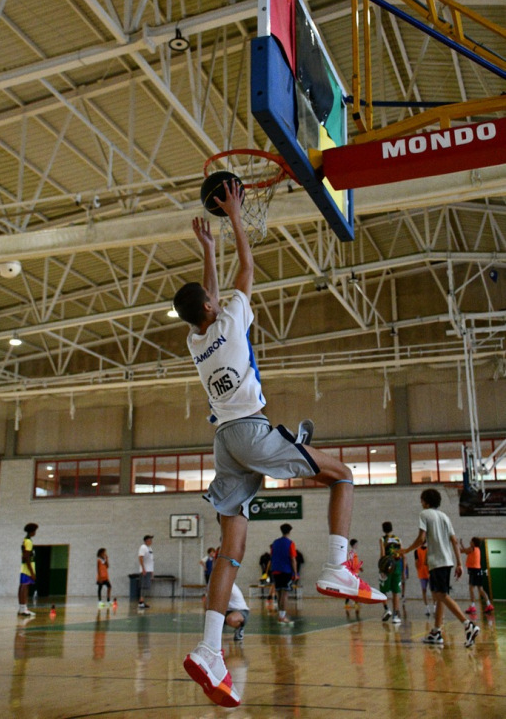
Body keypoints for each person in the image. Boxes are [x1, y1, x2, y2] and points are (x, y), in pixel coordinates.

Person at [174, 181, 385, 708]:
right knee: (343, 475)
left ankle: (209, 650)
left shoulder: (196, 340)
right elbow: (247, 268)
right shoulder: (229, 320)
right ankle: (338, 566)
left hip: (224, 442)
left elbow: (209, 296)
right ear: (211, 305)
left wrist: (207, 251)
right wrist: (234, 218)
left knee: (230, 551)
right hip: (250, 432)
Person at [402, 488, 479, 647]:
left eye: (422, 500)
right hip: (447, 561)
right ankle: (436, 632)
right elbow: (454, 541)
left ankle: (468, 625)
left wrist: (407, 550)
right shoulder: (445, 517)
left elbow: (421, 539)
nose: (421, 502)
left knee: (441, 595)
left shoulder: (424, 514)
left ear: (426, 501)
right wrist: (459, 563)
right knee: (438, 595)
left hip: (437, 561)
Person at [270, 523, 297, 625]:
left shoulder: (275, 543)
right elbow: (293, 559)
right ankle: (283, 617)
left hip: (275, 570)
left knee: (279, 593)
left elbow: (272, 556)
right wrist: (295, 573)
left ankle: (281, 616)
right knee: (284, 594)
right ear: (290, 531)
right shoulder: (290, 543)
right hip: (286, 570)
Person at [459, 537, 494, 614]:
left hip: (474, 571)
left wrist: (456, 545)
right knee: (480, 589)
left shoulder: (472, 548)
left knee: (471, 588)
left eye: (471, 541)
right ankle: (489, 604)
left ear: (474, 543)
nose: (470, 542)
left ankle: (473, 606)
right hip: (478, 570)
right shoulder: (477, 549)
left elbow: (462, 551)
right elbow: (466, 552)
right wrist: (461, 544)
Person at [378, 521, 404, 624]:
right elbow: (402, 554)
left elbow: (383, 554)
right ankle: (395, 615)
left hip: (387, 566)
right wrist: (403, 569)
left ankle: (386, 609)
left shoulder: (382, 539)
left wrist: (382, 568)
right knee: (395, 591)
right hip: (397, 566)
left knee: (382, 591)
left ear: (383, 529)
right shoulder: (398, 539)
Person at [18, 523, 38, 617]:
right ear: (32, 531)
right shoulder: (28, 541)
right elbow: (26, 557)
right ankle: (23, 609)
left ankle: (22, 608)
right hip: (27, 568)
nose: (35, 533)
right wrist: (32, 572)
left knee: (23, 586)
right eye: (35, 531)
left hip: (25, 567)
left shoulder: (25, 540)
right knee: (24, 587)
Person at [414, 542, 432, 615]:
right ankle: (428, 607)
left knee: (430, 590)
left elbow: (416, 563)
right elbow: (416, 562)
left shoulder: (429, 550)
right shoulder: (417, 551)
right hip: (423, 573)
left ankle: (431, 607)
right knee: (426, 590)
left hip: (429, 572)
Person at [345, 539, 362, 609]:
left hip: (356, 572)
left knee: (356, 587)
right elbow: (350, 562)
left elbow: (355, 562)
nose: (357, 545)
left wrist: (359, 568)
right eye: (356, 544)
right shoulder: (351, 553)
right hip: (353, 573)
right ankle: (350, 603)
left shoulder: (355, 553)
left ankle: (353, 602)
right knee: (354, 588)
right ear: (354, 545)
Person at [138, 535, 154, 609]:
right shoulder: (143, 547)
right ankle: (141, 603)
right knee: (144, 586)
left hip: (149, 570)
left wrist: (152, 571)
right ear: (146, 540)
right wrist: (143, 568)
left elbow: (151, 561)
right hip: (145, 570)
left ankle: (143, 601)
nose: (151, 541)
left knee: (147, 586)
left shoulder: (149, 548)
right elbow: (140, 558)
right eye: (150, 539)